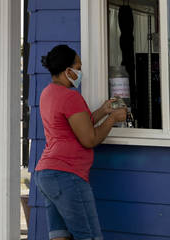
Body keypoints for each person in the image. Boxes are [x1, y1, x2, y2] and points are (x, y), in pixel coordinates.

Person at [35, 43, 127, 240]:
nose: (80, 72)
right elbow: (89, 139)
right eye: (78, 67)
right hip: (67, 175)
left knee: (60, 236)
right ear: (67, 70)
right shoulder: (71, 97)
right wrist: (113, 119)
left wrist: (103, 111)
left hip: (46, 174)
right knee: (89, 237)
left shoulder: (47, 93)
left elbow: (76, 125)